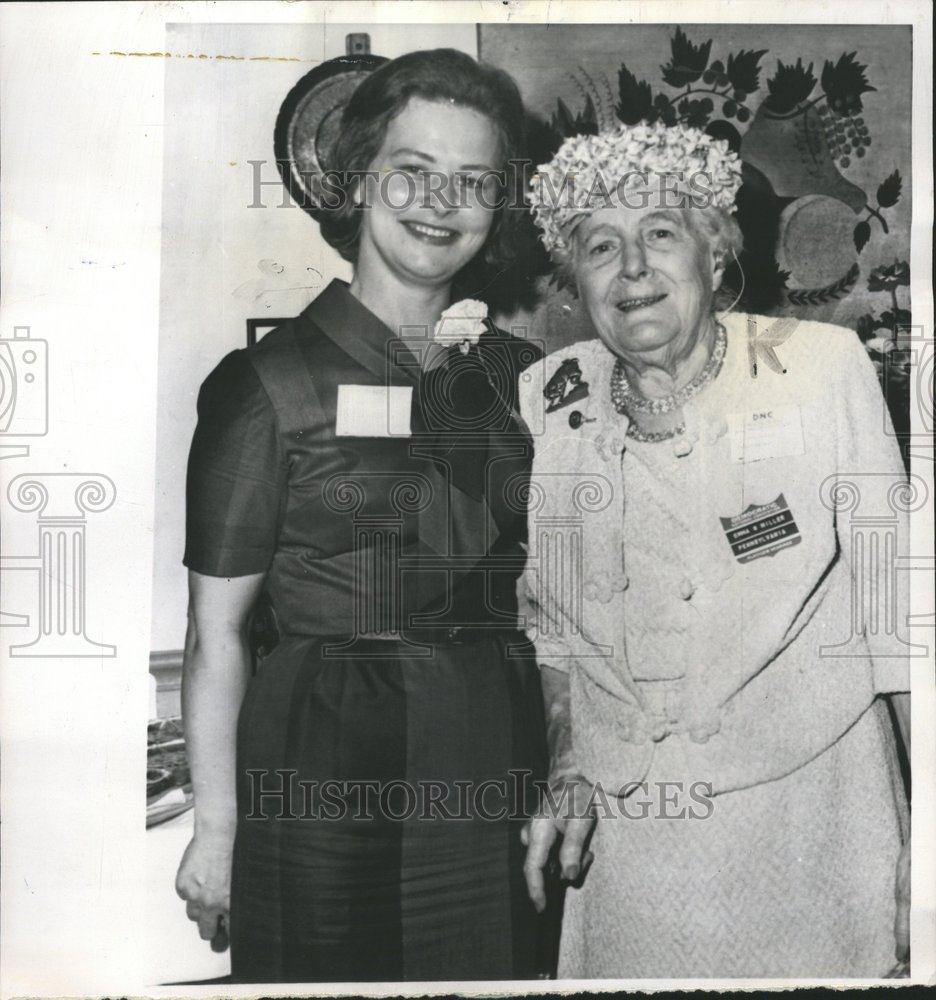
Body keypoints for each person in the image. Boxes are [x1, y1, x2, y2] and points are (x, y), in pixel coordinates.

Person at [175, 49, 546, 983]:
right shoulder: (266, 385)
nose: (439, 202)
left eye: (471, 181)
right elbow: (215, 634)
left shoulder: (509, 376)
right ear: (359, 180)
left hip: (485, 763)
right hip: (319, 775)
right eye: (411, 171)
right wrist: (216, 828)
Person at [517, 120, 911, 979]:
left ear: (715, 254)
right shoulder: (552, 397)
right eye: (599, 246)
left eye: (660, 234)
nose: (632, 270)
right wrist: (570, 758)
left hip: (813, 815)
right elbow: (554, 619)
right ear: (574, 283)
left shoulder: (819, 367)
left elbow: (901, 613)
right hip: (633, 831)